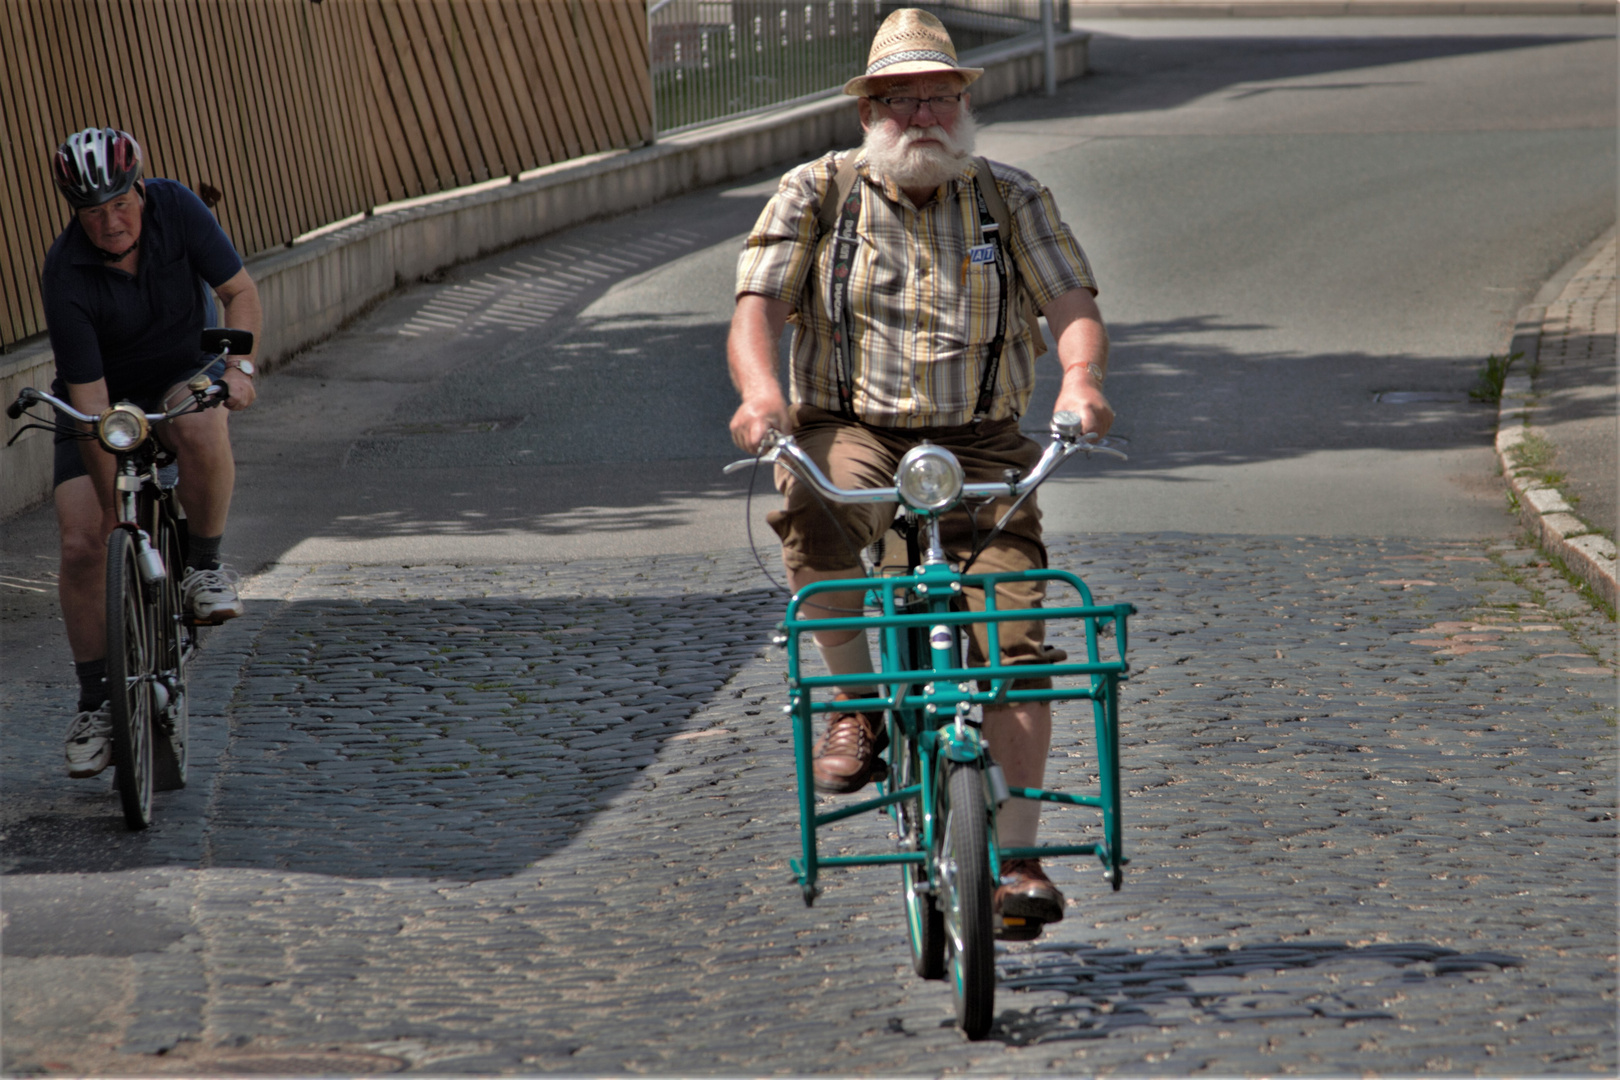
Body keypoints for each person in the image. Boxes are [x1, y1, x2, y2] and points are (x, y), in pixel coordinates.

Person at [727, 10, 1113, 938]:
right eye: (903, 100)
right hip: (853, 428)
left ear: (962, 104)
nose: (925, 115)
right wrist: (760, 400)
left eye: (940, 96)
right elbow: (758, 310)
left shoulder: (1011, 197)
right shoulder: (815, 191)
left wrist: (1083, 381)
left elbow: (1070, 301)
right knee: (815, 499)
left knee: (1017, 635)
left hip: (980, 447)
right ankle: (858, 707)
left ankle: (1015, 862)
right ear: (870, 110)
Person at [42, 127, 262, 779]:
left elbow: (239, 292)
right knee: (83, 544)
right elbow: (88, 399)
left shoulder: (179, 210)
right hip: (103, 398)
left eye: (120, 204)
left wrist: (241, 367)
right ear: (73, 210)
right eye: (91, 211)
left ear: (140, 187)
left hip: (179, 370)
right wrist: (113, 513)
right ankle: (95, 705)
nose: (109, 222)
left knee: (200, 423)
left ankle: (204, 567)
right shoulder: (64, 272)